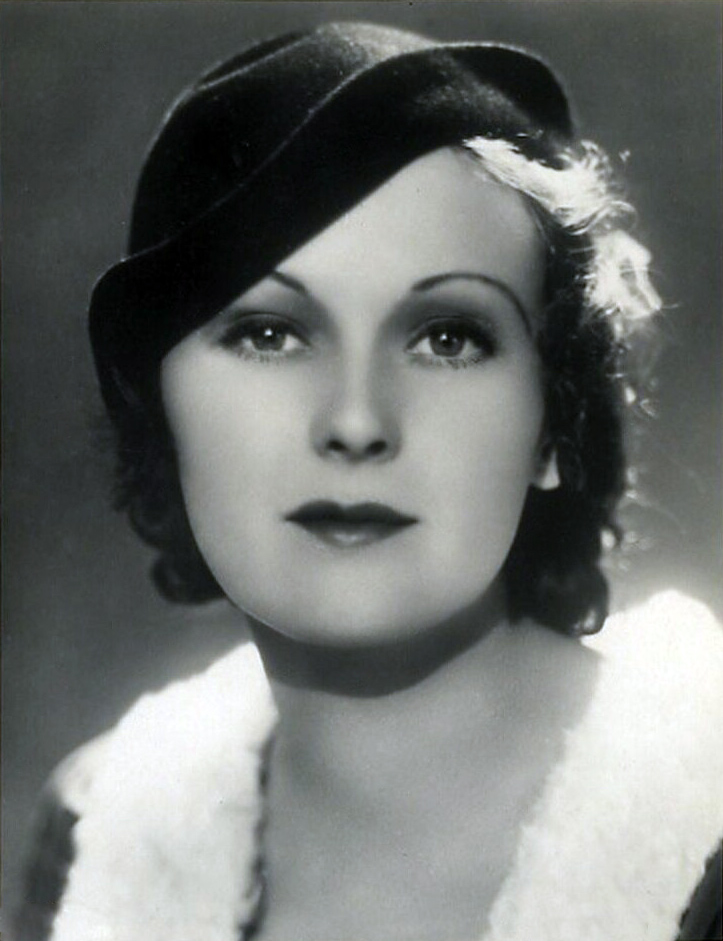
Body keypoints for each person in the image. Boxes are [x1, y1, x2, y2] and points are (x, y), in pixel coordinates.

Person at [15, 21, 723, 941]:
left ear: (554, 421)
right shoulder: (99, 836)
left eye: (448, 337)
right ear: (158, 410)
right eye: (269, 334)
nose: (355, 420)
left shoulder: (702, 828)